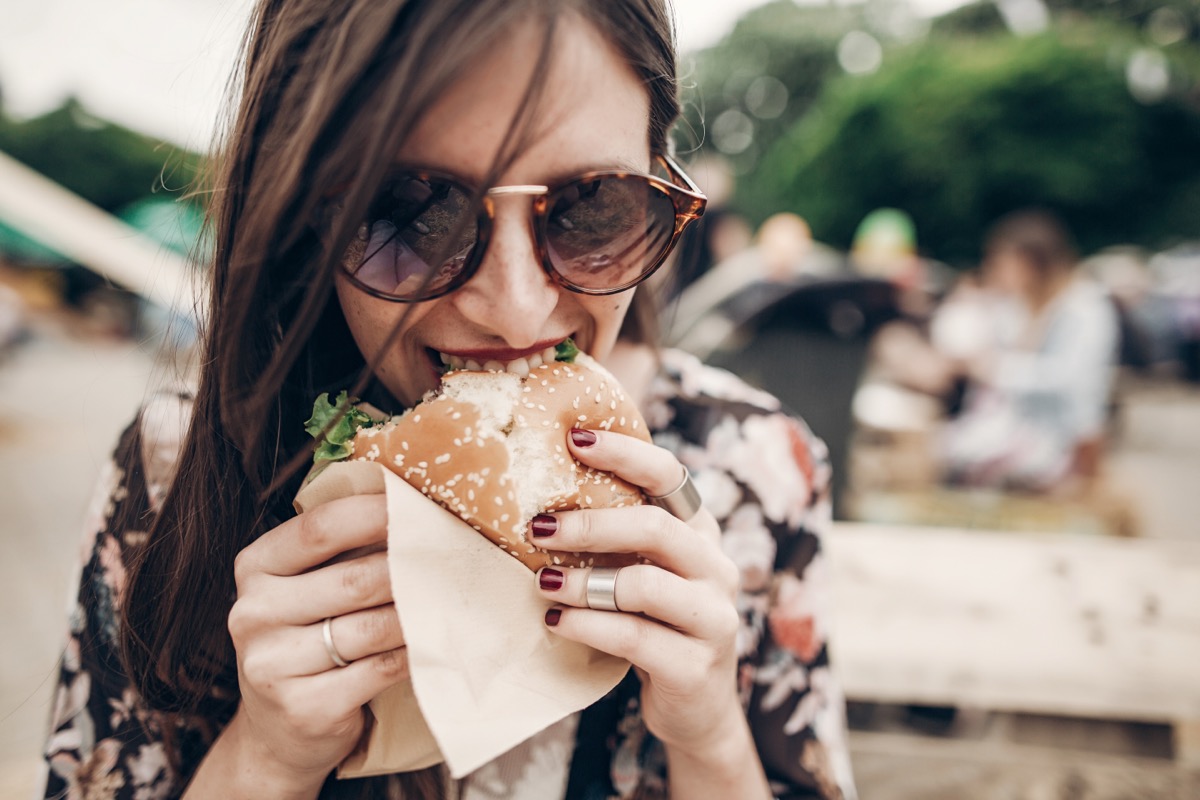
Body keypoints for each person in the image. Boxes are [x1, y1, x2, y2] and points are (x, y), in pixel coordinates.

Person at [42, 1, 856, 798]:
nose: (514, 309)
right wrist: (264, 758)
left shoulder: (761, 472)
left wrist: (711, 736)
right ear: (297, 217)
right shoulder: (169, 471)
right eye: (411, 214)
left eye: (594, 206)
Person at [940, 210, 1120, 492]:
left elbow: (1070, 381)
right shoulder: (1021, 306)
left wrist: (995, 368)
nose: (994, 270)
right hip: (1022, 431)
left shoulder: (1084, 308)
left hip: (1064, 442)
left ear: (1029, 262)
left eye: (1000, 262)